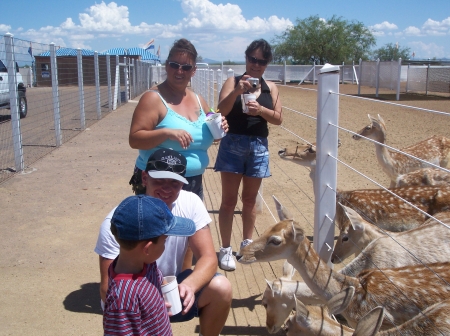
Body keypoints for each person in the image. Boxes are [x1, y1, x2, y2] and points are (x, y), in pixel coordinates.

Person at [95, 148, 232, 336]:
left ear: (183, 184)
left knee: (221, 286)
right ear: (145, 178)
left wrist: (188, 286)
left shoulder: (190, 202)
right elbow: (106, 288)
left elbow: (209, 258)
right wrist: (152, 301)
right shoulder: (120, 222)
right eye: (159, 181)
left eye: (175, 183)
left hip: (167, 288)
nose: (167, 189)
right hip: (134, 299)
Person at [128, 38, 228, 200]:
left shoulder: (199, 100)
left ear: (193, 70)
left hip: (193, 183)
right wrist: (166, 133)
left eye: (186, 67)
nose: (179, 71)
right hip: (160, 184)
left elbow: (214, 128)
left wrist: (221, 126)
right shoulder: (152, 99)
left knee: (191, 226)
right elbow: (135, 140)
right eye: (174, 65)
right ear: (167, 65)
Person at [214, 39, 283, 271]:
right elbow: (220, 110)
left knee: (250, 200)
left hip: (258, 146)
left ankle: (246, 244)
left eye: (261, 61)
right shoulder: (233, 81)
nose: (256, 65)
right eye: (253, 59)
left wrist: (261, 110)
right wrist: (237, 90)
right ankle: (225, 248)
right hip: (232, 143)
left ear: (267, 64)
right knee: (228, 201)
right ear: (246, 58)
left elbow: (278, 119)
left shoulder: (271, 87)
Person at [103, 194, 196, 336]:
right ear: (147, 249)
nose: (165, 245)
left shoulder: (147, 264)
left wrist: (157, 305)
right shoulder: (122, 298)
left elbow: (158, 281)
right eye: (164, 241)